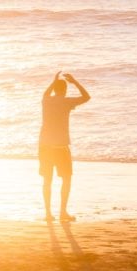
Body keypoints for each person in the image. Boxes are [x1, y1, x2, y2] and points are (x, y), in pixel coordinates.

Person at [39, 71, 91, 222]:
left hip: (45, 146)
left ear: (54, 89)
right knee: (66, 179)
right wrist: (74, 81)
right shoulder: (67, 102)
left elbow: (45, 94)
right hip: (61, 147)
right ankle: (63, 212)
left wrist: (52, 82)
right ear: (65, 90)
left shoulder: (46, 101)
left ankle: (48, 213)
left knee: (47, 180)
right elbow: (87, 97)